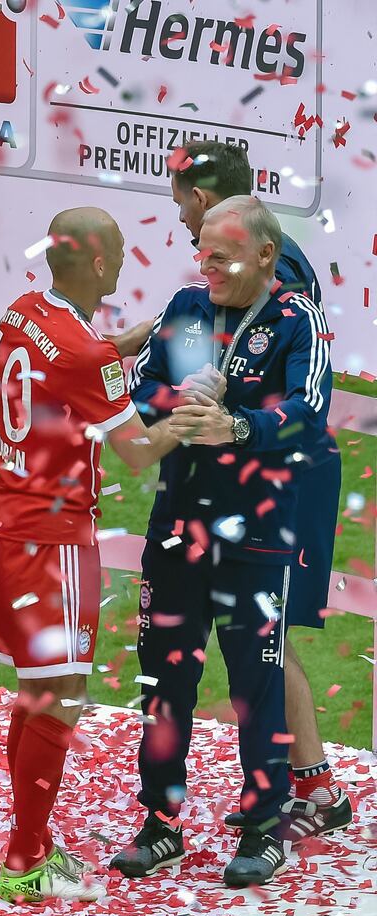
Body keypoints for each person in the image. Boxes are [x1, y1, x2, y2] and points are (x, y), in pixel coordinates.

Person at [114, 196, 342, 889]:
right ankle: (161, 824)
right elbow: (144, 385)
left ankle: (266, 824)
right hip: (178, 527)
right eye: (202, 250)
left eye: (221, 252)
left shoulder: (296, 318)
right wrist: (173, 402)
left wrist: (239, 428)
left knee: (255, 680)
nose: (204, 263)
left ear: (266, 255)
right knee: (164, 678)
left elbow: (308, 412)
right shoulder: (187, 306)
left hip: (254, 536)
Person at [0, 207, 192, 903]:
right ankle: (25, 858)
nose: (130, 257)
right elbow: (134, 450)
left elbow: (73, 363)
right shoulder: (85, 353)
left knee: (37, 692)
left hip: (9, 525)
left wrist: (132, 340)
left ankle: (30, 840)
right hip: (54, 539)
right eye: (123, 248)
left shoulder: (23, 312)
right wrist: (193, 416)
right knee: (61, 698)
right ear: (100, 264)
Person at [160, 140, 348, 825]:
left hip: (286, 478)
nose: (180, 219)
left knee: (265, 638)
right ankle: (304, 782)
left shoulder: (281, 286)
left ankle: (318, 789)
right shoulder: (261, 255)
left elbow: (295, 391)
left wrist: (233, 426)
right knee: (262, 634)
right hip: (267, 473)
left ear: (204, 200)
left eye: (180, 199)